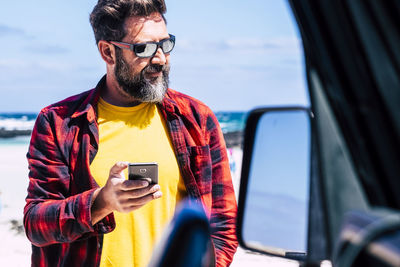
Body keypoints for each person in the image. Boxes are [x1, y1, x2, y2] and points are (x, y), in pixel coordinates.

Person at [23, 0, 238, 266]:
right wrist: (100, 202)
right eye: (144, 48)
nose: (159, 58)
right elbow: (35, 223)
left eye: (165, 44)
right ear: (108, 52)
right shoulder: (58, 122)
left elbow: (223, 223)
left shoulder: (197, 119)